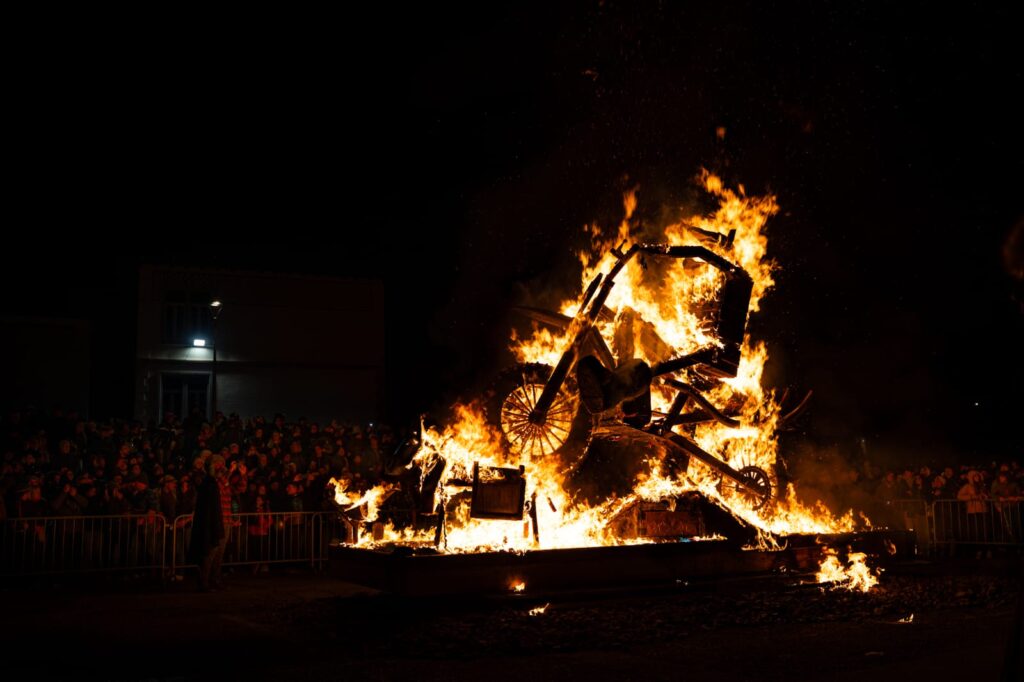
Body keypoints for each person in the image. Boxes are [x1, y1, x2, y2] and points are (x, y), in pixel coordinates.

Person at [187, 455, 231, 592]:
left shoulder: (222, 481)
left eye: (222, 463)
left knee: (219, 553)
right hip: (214, 520)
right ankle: (204, 581)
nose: (221, 466)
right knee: (210, 552)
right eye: (218, 463)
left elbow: (233, 492)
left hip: (225, 519)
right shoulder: (208, 481)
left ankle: (215, 579)